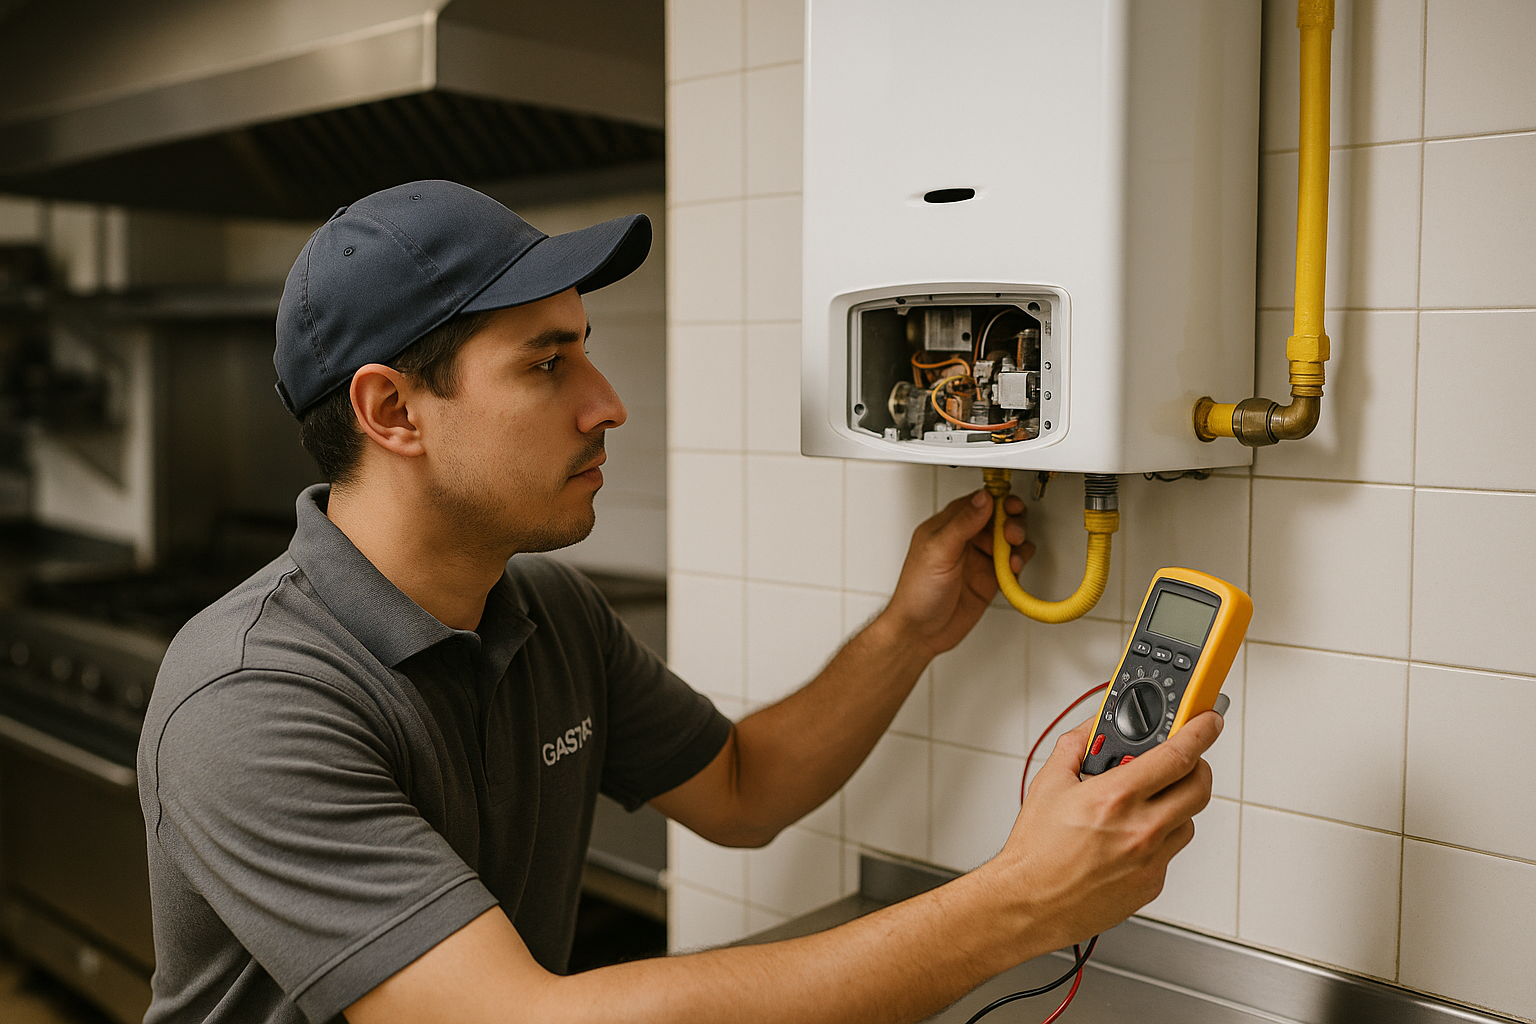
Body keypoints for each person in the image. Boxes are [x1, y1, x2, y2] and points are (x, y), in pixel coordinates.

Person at [138, 180, 1220, 1024]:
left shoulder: (548, 614)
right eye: (546, 364)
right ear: (392, 412)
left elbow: (743, 789)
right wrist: (1019, 901)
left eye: (586, 354)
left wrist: (910, 630)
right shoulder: (252, 699)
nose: (606, 405)